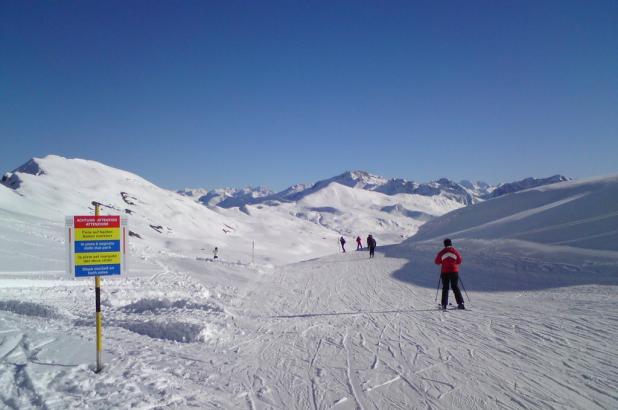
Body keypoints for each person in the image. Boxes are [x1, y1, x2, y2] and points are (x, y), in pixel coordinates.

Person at [434, 238, 464, 310]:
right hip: (454, 271)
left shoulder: (442, 252)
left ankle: (444, 305)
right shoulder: (455, 251)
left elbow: (437, 262)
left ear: (444, 244)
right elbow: (459, 261)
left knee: (445, 288)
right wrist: (454, 264)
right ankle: (461, 304)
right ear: (451, 244)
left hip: (445, 272)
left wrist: (443, 262)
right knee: (455, 287)